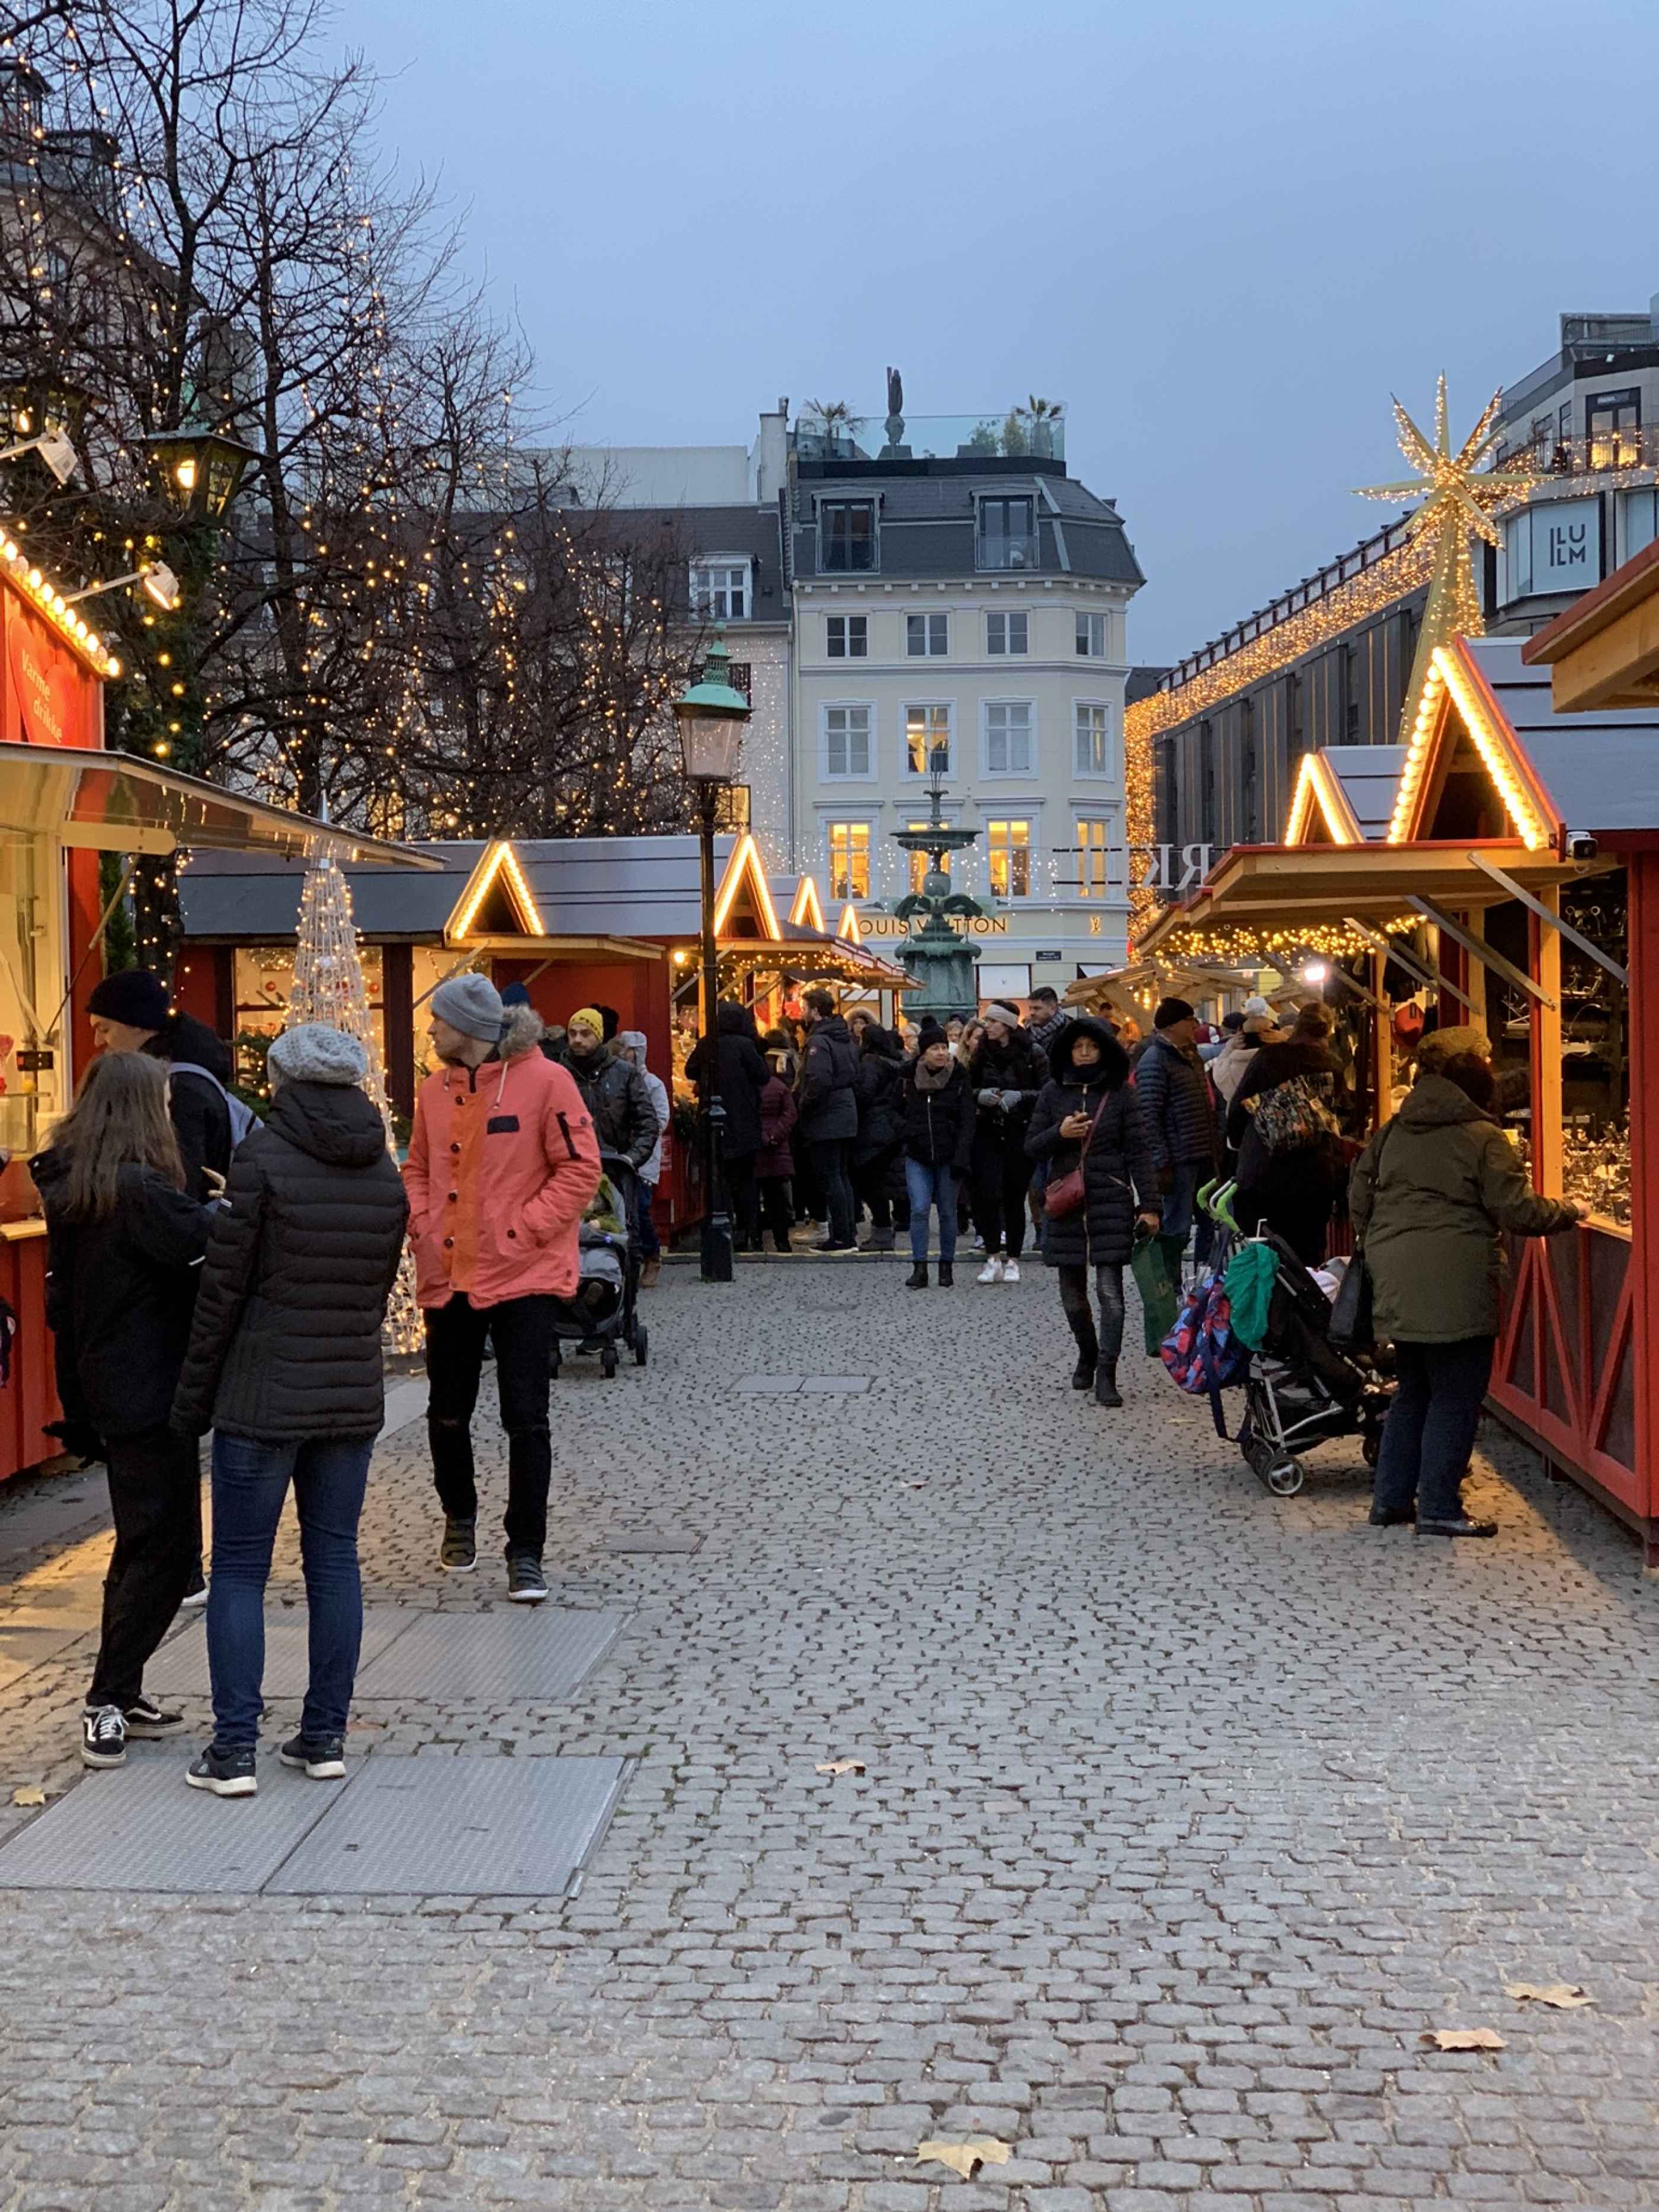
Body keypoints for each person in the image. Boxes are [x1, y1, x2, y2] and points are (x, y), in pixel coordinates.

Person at [170, 1024, 409, 1796]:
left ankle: (235, 1749)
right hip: (346, 1393)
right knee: (333, 1560)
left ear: (282, 1081)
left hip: (262, 1395)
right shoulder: (382, 1168)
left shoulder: (263, 1158)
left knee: (239, 1568)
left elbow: (222, 1294)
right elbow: (374, 1291)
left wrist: (191, 1399)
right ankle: (324, 1736)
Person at [33, 1055, 218, 1771]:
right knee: (164, 1553)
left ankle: (124, 1689)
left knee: (143, 1544)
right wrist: (226, 1207)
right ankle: (106, 1700)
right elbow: (203, 1240)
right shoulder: (139, 1191)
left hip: (108, 1385)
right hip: (149, 1390)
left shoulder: (81, 1186)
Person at [404, 975, 601, 1602]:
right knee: (447, 1409)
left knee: (526, 1417)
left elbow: (580, 1170)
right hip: (451, 1271)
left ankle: (526, 1549)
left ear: (469, 1026)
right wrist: (423, 1224)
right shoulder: (431, 1090)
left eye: (438, 1020)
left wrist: (523, 1229)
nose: (430, 1030)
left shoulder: (548, 1081)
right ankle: (459, 1515)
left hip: (524, 1274)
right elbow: (416, 1168)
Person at [1351, 1049, 1584, 1539]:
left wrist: (1379, 1240)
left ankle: (1391, 1500)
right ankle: (1439, 1505)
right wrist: (1568, 1211)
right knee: (1456, 1396)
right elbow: (1517, 1209)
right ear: (1482, 1093)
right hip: (1454, 1279)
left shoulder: (1394, 1129)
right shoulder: (1483, 1138)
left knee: (1414, 1388)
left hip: (1396, 1273)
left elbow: (1359, 1190)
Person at [1026, 1019, 1161, 1407]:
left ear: (1104, 1050)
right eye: (1078, 1046)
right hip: (1066, 1203)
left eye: (1092, 1046)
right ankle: (1087, 1350)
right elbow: (1031, 1146)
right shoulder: (1053, 1093)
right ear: (1068, 1050)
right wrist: (1060, 1134)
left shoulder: (1121, 1094)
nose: (1084, 1053)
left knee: (1110, 1294)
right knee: (1072, 1298)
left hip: (1110, 1199)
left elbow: (1138, 1151)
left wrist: (1149, 1206)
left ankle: (1107, 1371)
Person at [86, 968, 242, 1202]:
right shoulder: (181, 1076)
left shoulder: (179, 1088)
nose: (98, 1042)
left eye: (104, 1029)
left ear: (137, 1024)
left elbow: (181, 1189)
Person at [1226, 1003, 1346, 1264]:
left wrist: (1239, 1146)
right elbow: (1345, 1117)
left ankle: (1265, 1305)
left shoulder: (1269, 1058)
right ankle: (1305, 1303)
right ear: (1328, 1032)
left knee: (1260, 1255)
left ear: (1298, 1027)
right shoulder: (1333, 1066)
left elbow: (1237, 1110)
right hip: (1314, 1175)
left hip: (1262, 1173)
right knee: (1308, 1256)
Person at [1133, 995, 1221, 1293]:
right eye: (1189, 1020)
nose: (1195, 1024)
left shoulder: (1191, 1055)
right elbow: (1149, 1116)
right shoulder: (1154, 1061)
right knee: (1177, 1227)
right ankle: (1168, 1286)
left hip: (1202, 1153)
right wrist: (1161, 1163)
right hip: (1179, 1158)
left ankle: (1205, 1284)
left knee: (1211, 1222)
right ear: (1172, 1025)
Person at [966, 1003, 1048, 1283]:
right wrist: (980, 1095)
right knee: (988, 1195)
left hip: (1019, 1132)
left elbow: (1047, 1092)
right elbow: (967, 1087)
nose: (987, 1026)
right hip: (987, 1132)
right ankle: (992, 1257)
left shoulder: (1032, 1053)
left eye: (993, 1021)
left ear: (1008, 1025)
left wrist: (1021, 1096)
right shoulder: (981, 1052)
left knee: (1014, 1198)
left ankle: (1013, 1259)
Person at [684, 1000, 771, 1252]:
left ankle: (721, 1229)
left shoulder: (707, 1044)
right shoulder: (745, 1045)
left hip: (714, 1122)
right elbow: (763, 1076)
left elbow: (690, 1071)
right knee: (746, 1182)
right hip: (744, 1121)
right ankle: (750, 1232)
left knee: (717, 1180)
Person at [899, 1019, 976, 1287]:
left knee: (947, 1211)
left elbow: (968, 1120)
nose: (942, 1052)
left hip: (949, 1156)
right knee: (919, 1209)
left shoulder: (959, 1077)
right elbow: (896, 1110)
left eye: (944, 1047)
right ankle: (919, 1267)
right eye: (935, 1048)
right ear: (923, 1052)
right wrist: (905, 1133)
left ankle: (946, 1265)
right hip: (917, 1154)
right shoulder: (908, 1077)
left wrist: (962, 1156)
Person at [796, 987, 859, 1251]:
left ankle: (841, 1237)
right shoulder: (844, 1038)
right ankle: (847, 1232)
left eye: (805, 1008)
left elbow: (819, 1080)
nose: (802, 1013)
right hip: (845, 1111)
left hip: (828, 1115)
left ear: (816, 1011)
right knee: (841, 1176)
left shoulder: (819, 1042)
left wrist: (803, 1104)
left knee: (830, 1177)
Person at [559, 1007, 658, 1174]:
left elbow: (647, 1122)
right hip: (571, 1170)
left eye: (585, 1034)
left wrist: (630, 1159)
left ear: (598, 1036)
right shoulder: (558, 1074)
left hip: (615, 1169)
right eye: (573, 1033)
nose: (577, 1040)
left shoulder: (624, 1073)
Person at [616, 1031, 670, 1288]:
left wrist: (640, 1137)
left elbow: (660, 1119)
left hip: (643, 1158)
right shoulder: (616, 1080)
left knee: (640, 1210)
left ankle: (651, 1255)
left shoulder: (653, 1085)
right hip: (619, 1155)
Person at [851, 1023, 907, 1250]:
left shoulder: (870, 1064)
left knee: (869, 1183)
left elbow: (865, 1094)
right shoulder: (895, 1064)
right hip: (891, 1128)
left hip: (873, 1128)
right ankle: (883, 1231)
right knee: (878, 1182)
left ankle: (882, 1232)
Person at [754, 1048, 799, 1254]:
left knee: (753, 1196)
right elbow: (790, 1114)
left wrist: (762, 1135)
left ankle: (754, 1240)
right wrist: (775, 1135)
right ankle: (782, 1241)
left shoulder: (749, 1087)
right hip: (777, 1149)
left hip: (756, 1149)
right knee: (777, 1199)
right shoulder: (780, 1087)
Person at [1026, 984, 1070, 1062]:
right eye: (1030, 1008)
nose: (1032, 1013)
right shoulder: (1026, 1033)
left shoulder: (1071, 1031)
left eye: (1037, 1008)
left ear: (1053, 1008)